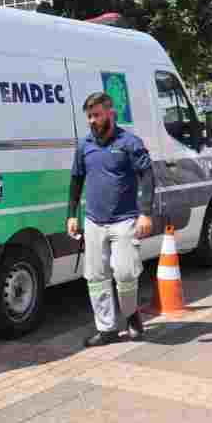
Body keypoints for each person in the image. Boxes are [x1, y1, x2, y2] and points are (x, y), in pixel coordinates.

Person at [67, 92, 154, 347]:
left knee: (126, 273)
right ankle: (106, 329)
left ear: (110, 113)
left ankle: (131, 316)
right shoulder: (84, 146)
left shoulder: (129, 142)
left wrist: (145, 213)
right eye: (89, 116)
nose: (93, 120)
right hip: (94, 221)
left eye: (97, 115)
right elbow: (76, 180)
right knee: (95, 276)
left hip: (124, 220)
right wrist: (71, 214)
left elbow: (147, 176)